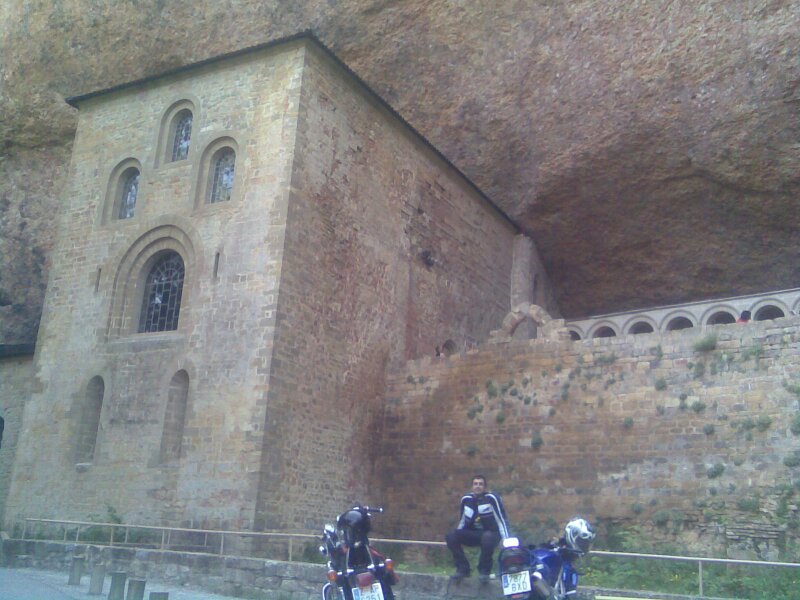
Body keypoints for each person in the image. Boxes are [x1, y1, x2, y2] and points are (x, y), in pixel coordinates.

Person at [445, 474, 510, 583]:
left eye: (480, 484)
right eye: (475, 484)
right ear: (472, 486)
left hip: (492, 534)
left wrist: (506, 539)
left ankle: (484, 571)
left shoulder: (492, 498)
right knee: (451, 535)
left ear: (485, 487)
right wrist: (458, 535)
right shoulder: (466, 499)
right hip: (474, 534)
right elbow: (462, 520)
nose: (478, 486)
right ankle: (463, 569)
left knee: (487, 537)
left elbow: (501, 519)